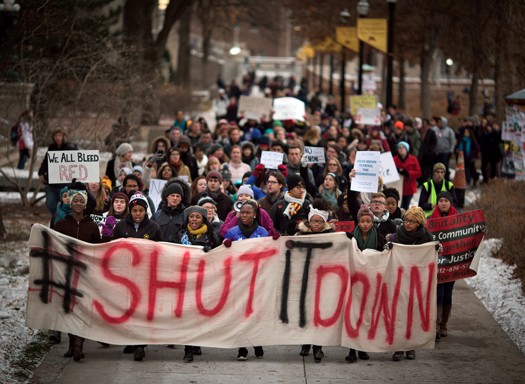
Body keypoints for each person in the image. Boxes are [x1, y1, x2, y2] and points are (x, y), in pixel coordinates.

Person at [104, 193, 162, 361]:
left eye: (141, 211)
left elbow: (161, 250)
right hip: (126, 276)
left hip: (145, 276)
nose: (137, 214)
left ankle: (140, 345)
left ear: (146, 211)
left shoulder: (154, 227)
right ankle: (130, 339)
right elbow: (112, 248)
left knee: (142, 309)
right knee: (128, 308)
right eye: (135, 210)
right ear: (130, 211)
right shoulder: (121, 226)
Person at [222, 199, 274, 361]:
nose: (244, 215)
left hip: (257, 281)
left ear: (254, 214)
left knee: (255, 314)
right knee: (239, 315)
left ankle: (257, 343)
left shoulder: (263, 233)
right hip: (238, 281)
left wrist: (276, 242)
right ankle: (242, 348)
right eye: (242, 212)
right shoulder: (232, 232)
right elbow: (223, 256)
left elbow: (268, 255)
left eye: (248, 212)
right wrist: (225, 246)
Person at [54, 184, 101, 361]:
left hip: (86, 275)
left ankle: (78, 346)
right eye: (76, 201)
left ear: (86, 204)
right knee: (69, 309)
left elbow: (97, 249)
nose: (79, 204)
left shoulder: (92, 226)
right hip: (66, 273)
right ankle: (71, 344)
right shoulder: (61, 224)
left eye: (82, 201)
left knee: (81, 309)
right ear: (70, 203)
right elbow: (53, 243)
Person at [385, 206, 434, 362]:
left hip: (416, 282)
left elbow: (430, 257)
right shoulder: (396, 236)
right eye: (406, 220)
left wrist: (436, 250)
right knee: (398, 314)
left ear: (419, 223)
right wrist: (387, 248)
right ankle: (398, 348)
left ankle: (410, 347)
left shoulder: (427, 238)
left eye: (412, 221)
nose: (407, 223)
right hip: (398, 281)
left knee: (413, 314)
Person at [174, 206, 220, 362]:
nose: (194, 219)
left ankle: (196, 342)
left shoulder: (211, 236)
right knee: (188, 315)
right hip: (185, 280)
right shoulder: (180, 234)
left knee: (198, 315)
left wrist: (210, 252)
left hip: (203, 281)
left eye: (197, 217)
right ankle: (188, 349)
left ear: (203, 219)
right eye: (191, 217)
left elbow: (218, 254)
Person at [295, 204, 335, 363]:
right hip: (305, 281)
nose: (316, 224)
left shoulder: (332, 236)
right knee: (306, 314)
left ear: (324, 222)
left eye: (319, 222)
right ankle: (305, 343)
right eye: (314, 221)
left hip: (323, 283)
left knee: (320, 314)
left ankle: (318, 347)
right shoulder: (300, 235)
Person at [345, 204, 383, 363]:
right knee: (353, 316)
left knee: (366, 316)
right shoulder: (350, 238)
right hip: (353, 282)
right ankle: (352, 349)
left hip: (371, 282)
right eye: (362, 221)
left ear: (373, 222)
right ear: (358, 222)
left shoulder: (379, 237)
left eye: (368, 221)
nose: (365, 224)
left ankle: (362, 348)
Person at [428, 191, 458, 341]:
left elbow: (468, 234)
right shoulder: (430, 219)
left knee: (447, 294)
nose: (443, 203)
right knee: (438, 294)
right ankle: (437, 326)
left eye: (446, 200)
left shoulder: (458, 220)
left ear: (450, 203)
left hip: (452, 264)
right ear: (437, 203)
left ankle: (444, 324)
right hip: (437, 264)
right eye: (441, 201)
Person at [38, 128, 78, 215]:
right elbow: (46, 162)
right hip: (53, 184)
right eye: (56, 136)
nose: (58, 138)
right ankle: (58, 218)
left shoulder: (70, 148)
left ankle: (63, 221)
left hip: (65, 184)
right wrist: (41, 173)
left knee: (66, 205)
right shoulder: (51, 148)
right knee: (50, 204)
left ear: (63, 137)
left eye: (59, 135)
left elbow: (78, 162)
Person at [393, 141, 422, 210]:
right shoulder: (394, 159)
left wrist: (408, 173)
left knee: (405, 206)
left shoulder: (413, 159)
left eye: (403, 148)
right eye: (399, 148)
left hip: (409, 187)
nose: (401, 149)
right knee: (399, 205)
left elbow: (418, 173)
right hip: (398, 187)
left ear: (407, 149)